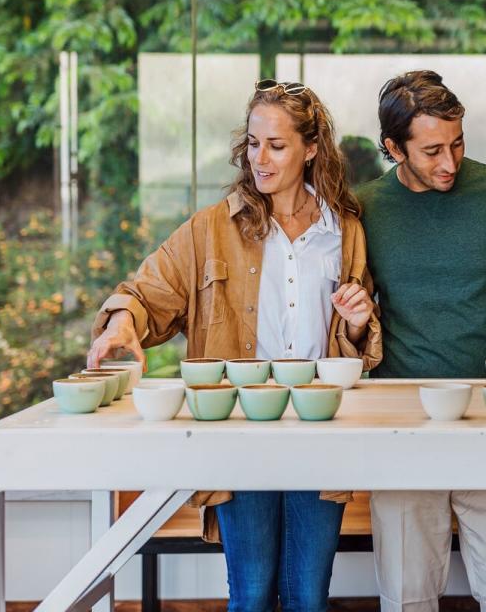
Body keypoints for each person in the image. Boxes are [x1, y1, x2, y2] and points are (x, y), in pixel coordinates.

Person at [87, 80, 382, 612]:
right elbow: (145, 292)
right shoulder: (210, 229)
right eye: (252, 143)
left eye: (276, 144)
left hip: (321, 428)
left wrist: (359, 323)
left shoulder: (346, 231)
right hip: (240, 426)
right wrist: (121, 323)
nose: (260, 158)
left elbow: (353, 340)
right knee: (249, 595)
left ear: (311, 148)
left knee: (309, 598)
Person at [355, 70, 486, 612]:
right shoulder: (366, 208)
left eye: (458, 143)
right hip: (401, 416)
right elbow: (356, 311)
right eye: (431, 150)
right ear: (393, 148)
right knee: (406, 593)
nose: (449, 163)